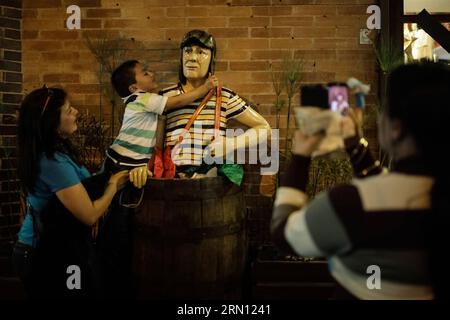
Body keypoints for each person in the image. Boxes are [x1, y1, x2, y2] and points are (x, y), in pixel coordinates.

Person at [271, 62, 450, 299]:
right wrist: (355, 145)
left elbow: (284, 234)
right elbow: (386, 193)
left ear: (396, 128)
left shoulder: (350, 203)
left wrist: (301, 156)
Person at [13, 86, 129, 298]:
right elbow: (89, 215)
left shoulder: (58, 153)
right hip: (44, 254)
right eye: (68, 110)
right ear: (52, 124)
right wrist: (114, 185)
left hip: (60, 249)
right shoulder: (52, 163)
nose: (76, 112)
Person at [160, 29, 271, 177]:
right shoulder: (165, 97)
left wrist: (232, 144)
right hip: (171, 180)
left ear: (212, 59)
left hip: (208, 181)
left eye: (200, 52)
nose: (192, 58)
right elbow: (150, 138)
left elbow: (264, 128)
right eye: (187, 51)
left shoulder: (223, 96)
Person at [107, 59, 219, 188]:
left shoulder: (138, 100)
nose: (152, 73)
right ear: (134, 88)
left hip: (126, 159)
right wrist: (205, 88)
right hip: (122, 159)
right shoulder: (141, 98)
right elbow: (175, 102)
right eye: (145, 73)